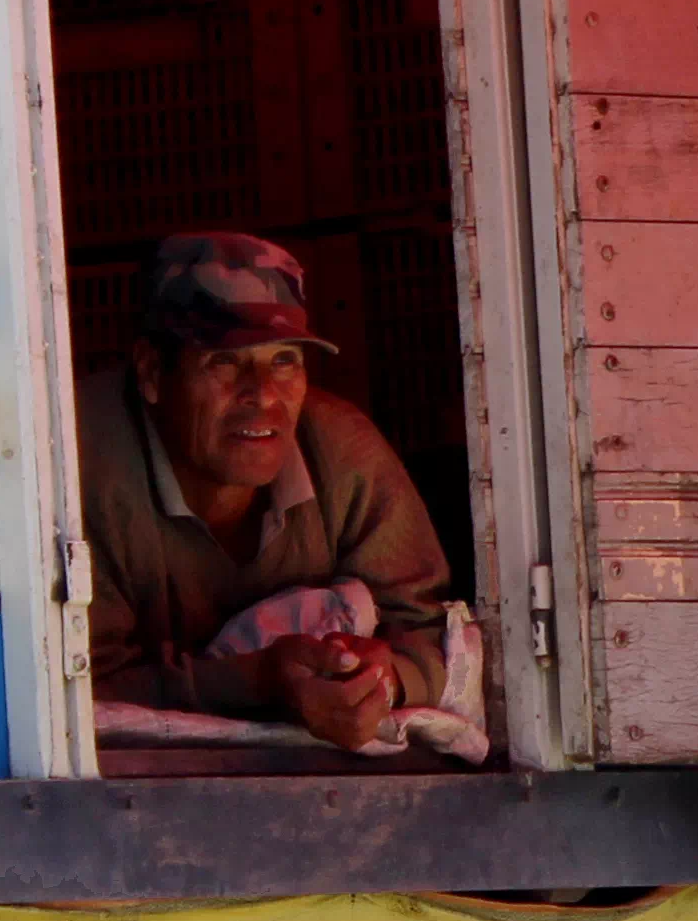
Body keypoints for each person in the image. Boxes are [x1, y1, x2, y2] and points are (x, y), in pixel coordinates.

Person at [76, 233, 455, 749]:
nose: (264, 396)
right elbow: (76, 691)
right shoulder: (82, 465)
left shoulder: (344, 454)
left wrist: (377, 680)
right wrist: (258, 682)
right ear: (151, 372)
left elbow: (429, 632)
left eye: (284, 360)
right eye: (224, 362)